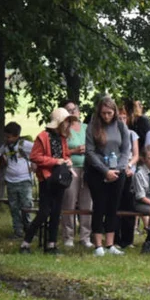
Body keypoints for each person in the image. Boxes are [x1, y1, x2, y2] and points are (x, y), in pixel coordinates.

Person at [22, 107, 75, 254]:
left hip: (60, 179)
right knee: (44, 212)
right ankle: (25, 243)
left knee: (56, 212)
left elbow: (65, 155)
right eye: (66, 121)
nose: (68, 124)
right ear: (59, 122)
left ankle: (51, 244)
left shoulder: (62, 138)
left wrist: (67, 161)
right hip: (46, 178)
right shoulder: (43, 136)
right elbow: (35, 157)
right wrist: (55, 161)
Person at [85, 95, 131, 257]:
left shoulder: (120, 126)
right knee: (100, 206)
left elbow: (126, 150)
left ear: (114, 112)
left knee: (113, 206)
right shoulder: (92, 127)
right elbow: (89, 152)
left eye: (109, 113)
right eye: (104, 113)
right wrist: (105, 171)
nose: (106, 116)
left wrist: (118, 169)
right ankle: (98, 244)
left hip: (118, 171)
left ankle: (110, 243)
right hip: (97, 171)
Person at [59, 100, 93, 249]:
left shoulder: (86, 128)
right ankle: (68, 236)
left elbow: (94, 145)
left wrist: (88, 149)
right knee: (69, 201)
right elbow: (59, 150)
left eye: (75, 109)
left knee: (87, 202)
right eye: (69, 110)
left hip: (87, 169)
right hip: (71, 169)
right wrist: (74, 151)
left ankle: (86, 237)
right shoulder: (64, 129)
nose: (73, 112)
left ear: (79, 112)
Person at [1, 122, 34, 239]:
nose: (6, 139)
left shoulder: (24, 144)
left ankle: (29, 229)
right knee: (14, 207)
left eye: (8, 137)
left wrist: (34, 165)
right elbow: (1, 157)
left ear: (16, 136)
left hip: (24, 180)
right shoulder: (5, 147)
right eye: (5, 136)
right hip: (10, 181)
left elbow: (37, 152)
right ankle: (17, 230)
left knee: (26, 205)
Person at [116, 106, 142, 248]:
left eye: (124, 118)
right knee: (117, 204)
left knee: (129, 205)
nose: (122, 120)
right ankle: (116, 238)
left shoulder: (132, 134)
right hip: (117, 170)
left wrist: (130, 166)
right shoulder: (112, 133)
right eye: (119, 118)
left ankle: (128, 239)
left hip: (129, 172)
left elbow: (136, 154)